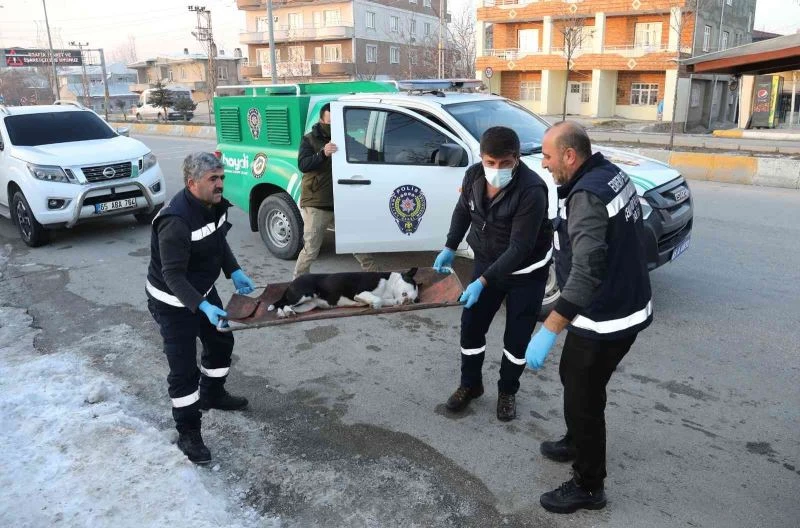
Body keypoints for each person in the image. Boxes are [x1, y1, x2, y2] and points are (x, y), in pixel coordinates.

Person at [526, 121, 653, 513]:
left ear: (569, 155)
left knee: (584, 398)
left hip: (606, 317)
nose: (544, 163)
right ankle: (576, 439)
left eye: (547, 156)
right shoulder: (607, 173)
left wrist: (549, 328)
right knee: (574, 378)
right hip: (621, 300)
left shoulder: (587, 196)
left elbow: (587, 272)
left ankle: (588, 485)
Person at [433, 126, 553, 422]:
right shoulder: (474, 176)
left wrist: (482, 281)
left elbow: (520, 247)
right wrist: (450, 246)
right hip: (487, 263)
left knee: (517, 339)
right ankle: (470, 385)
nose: (497, 169)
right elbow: (463, 211)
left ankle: (507, 391)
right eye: (490, 162)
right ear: (481, 157)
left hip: (526, 272)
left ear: (516, 158)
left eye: (505, 163)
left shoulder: (532, 190)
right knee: (471, 326)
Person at [146, 152, 255, 465]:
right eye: (213, 179)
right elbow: (172, 276)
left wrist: (233, 270)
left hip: (203, 292)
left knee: (221, 342)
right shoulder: (175, 221)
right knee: (183, 371)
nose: (220, 184)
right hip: (172, 303)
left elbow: (218, 240)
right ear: (192, 183)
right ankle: (189, 434)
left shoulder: (213, 205)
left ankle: (212, 394)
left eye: (222, 178)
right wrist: (203, 306)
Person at [294, 103, 374, 278]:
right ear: (321, 120)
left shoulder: (343, 138)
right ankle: (297, 283)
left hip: (340, 201)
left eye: (336, 122)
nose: (333, 126)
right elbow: (303, 165)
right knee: (311, 250)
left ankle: (375, 277)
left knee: (355, 242)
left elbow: (366, 153)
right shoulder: (309, 139)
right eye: (330, 122)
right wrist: (323, 153)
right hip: (317, 203)